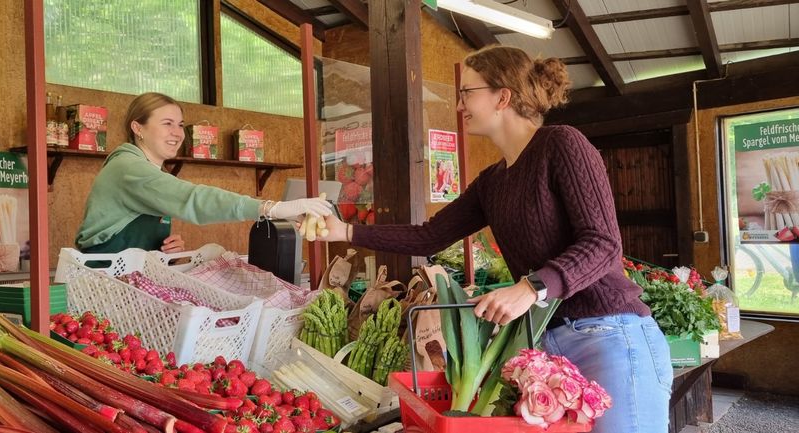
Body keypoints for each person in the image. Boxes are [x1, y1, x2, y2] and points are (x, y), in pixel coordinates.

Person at [320, 46, 672, 433]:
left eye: (467, 92)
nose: (459, 105)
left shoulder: (562, 144)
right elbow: (430, 236)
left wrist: (531, 287)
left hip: (607, 334)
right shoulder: (493, 181)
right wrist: (346, 230)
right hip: (546, 346)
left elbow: (603, 243)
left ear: (502, 96)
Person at [76, 92, 332, 254]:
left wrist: (164, 251)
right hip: (104, 283)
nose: (177, 133)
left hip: (131, 281)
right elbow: (193, 199)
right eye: (167, 124)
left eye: (180, 125)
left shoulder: (150, 170)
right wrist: (271, 208)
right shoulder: (128, 168)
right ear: (137, 128)